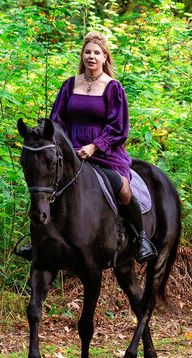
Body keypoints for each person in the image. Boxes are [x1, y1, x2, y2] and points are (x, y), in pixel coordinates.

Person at [18, 31, 157, 263]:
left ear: (105, 57)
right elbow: (57, 121)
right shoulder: (70, 85)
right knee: (45, 186)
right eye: (87, 52)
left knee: (123, 189)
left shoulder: (113, 88)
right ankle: (37, 241)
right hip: (70, 154)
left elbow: (119, 127)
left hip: (106, 154)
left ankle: (139, 238)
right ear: (82, 56)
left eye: (96, 53)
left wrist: (94, 146)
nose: (91, 56)